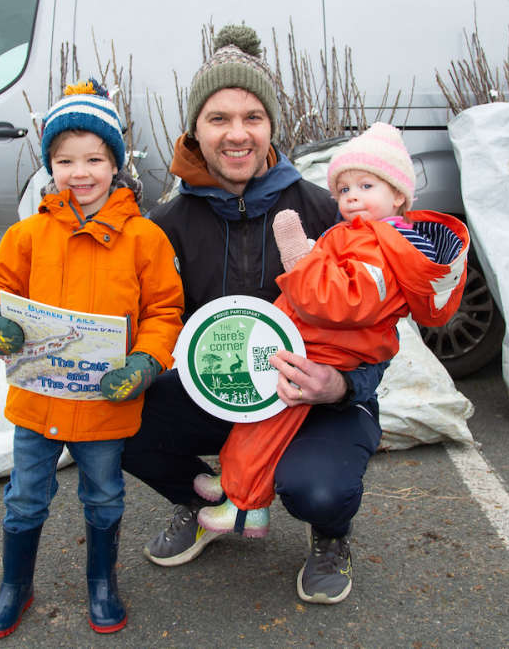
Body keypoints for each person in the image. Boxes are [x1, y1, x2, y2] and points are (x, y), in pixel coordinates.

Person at [121, 23, 390, 605]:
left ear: (272, 127)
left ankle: (330, 532)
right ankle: (203, 502)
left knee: (318, 489)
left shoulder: (325, 212)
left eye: (253, 117)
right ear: (195, 128)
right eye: (218, 118)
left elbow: (380, 331)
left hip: (312, 400)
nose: (237, 134)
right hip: (222, 392)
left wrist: (342, 386)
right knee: (115, 419)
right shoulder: (164, 226)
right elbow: (147, 319)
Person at [0, 80, 183, 637]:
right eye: (65, 160)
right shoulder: (28, 234)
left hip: (104, 403)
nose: (79, 173)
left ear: (116, 165)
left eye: (94, 159)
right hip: (37, 400)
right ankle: (15, 586)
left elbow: (164, 311)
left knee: (105, 496)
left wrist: (146, 362)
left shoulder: (144, 239)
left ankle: (102, 583)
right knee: (24, 498)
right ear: (50, 166)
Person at [193, 122, 469, 541]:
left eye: (366, 185)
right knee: (256, 413)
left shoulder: (384, 246)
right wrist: (312, 256)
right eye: (343, 189)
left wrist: (298, 259)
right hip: (315, 341)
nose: (351, 196)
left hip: (327, 350)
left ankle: (246, 506)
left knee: (269, 422)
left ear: (398, 195)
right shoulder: (363, 236)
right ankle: (233, 480)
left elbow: (341, 302)